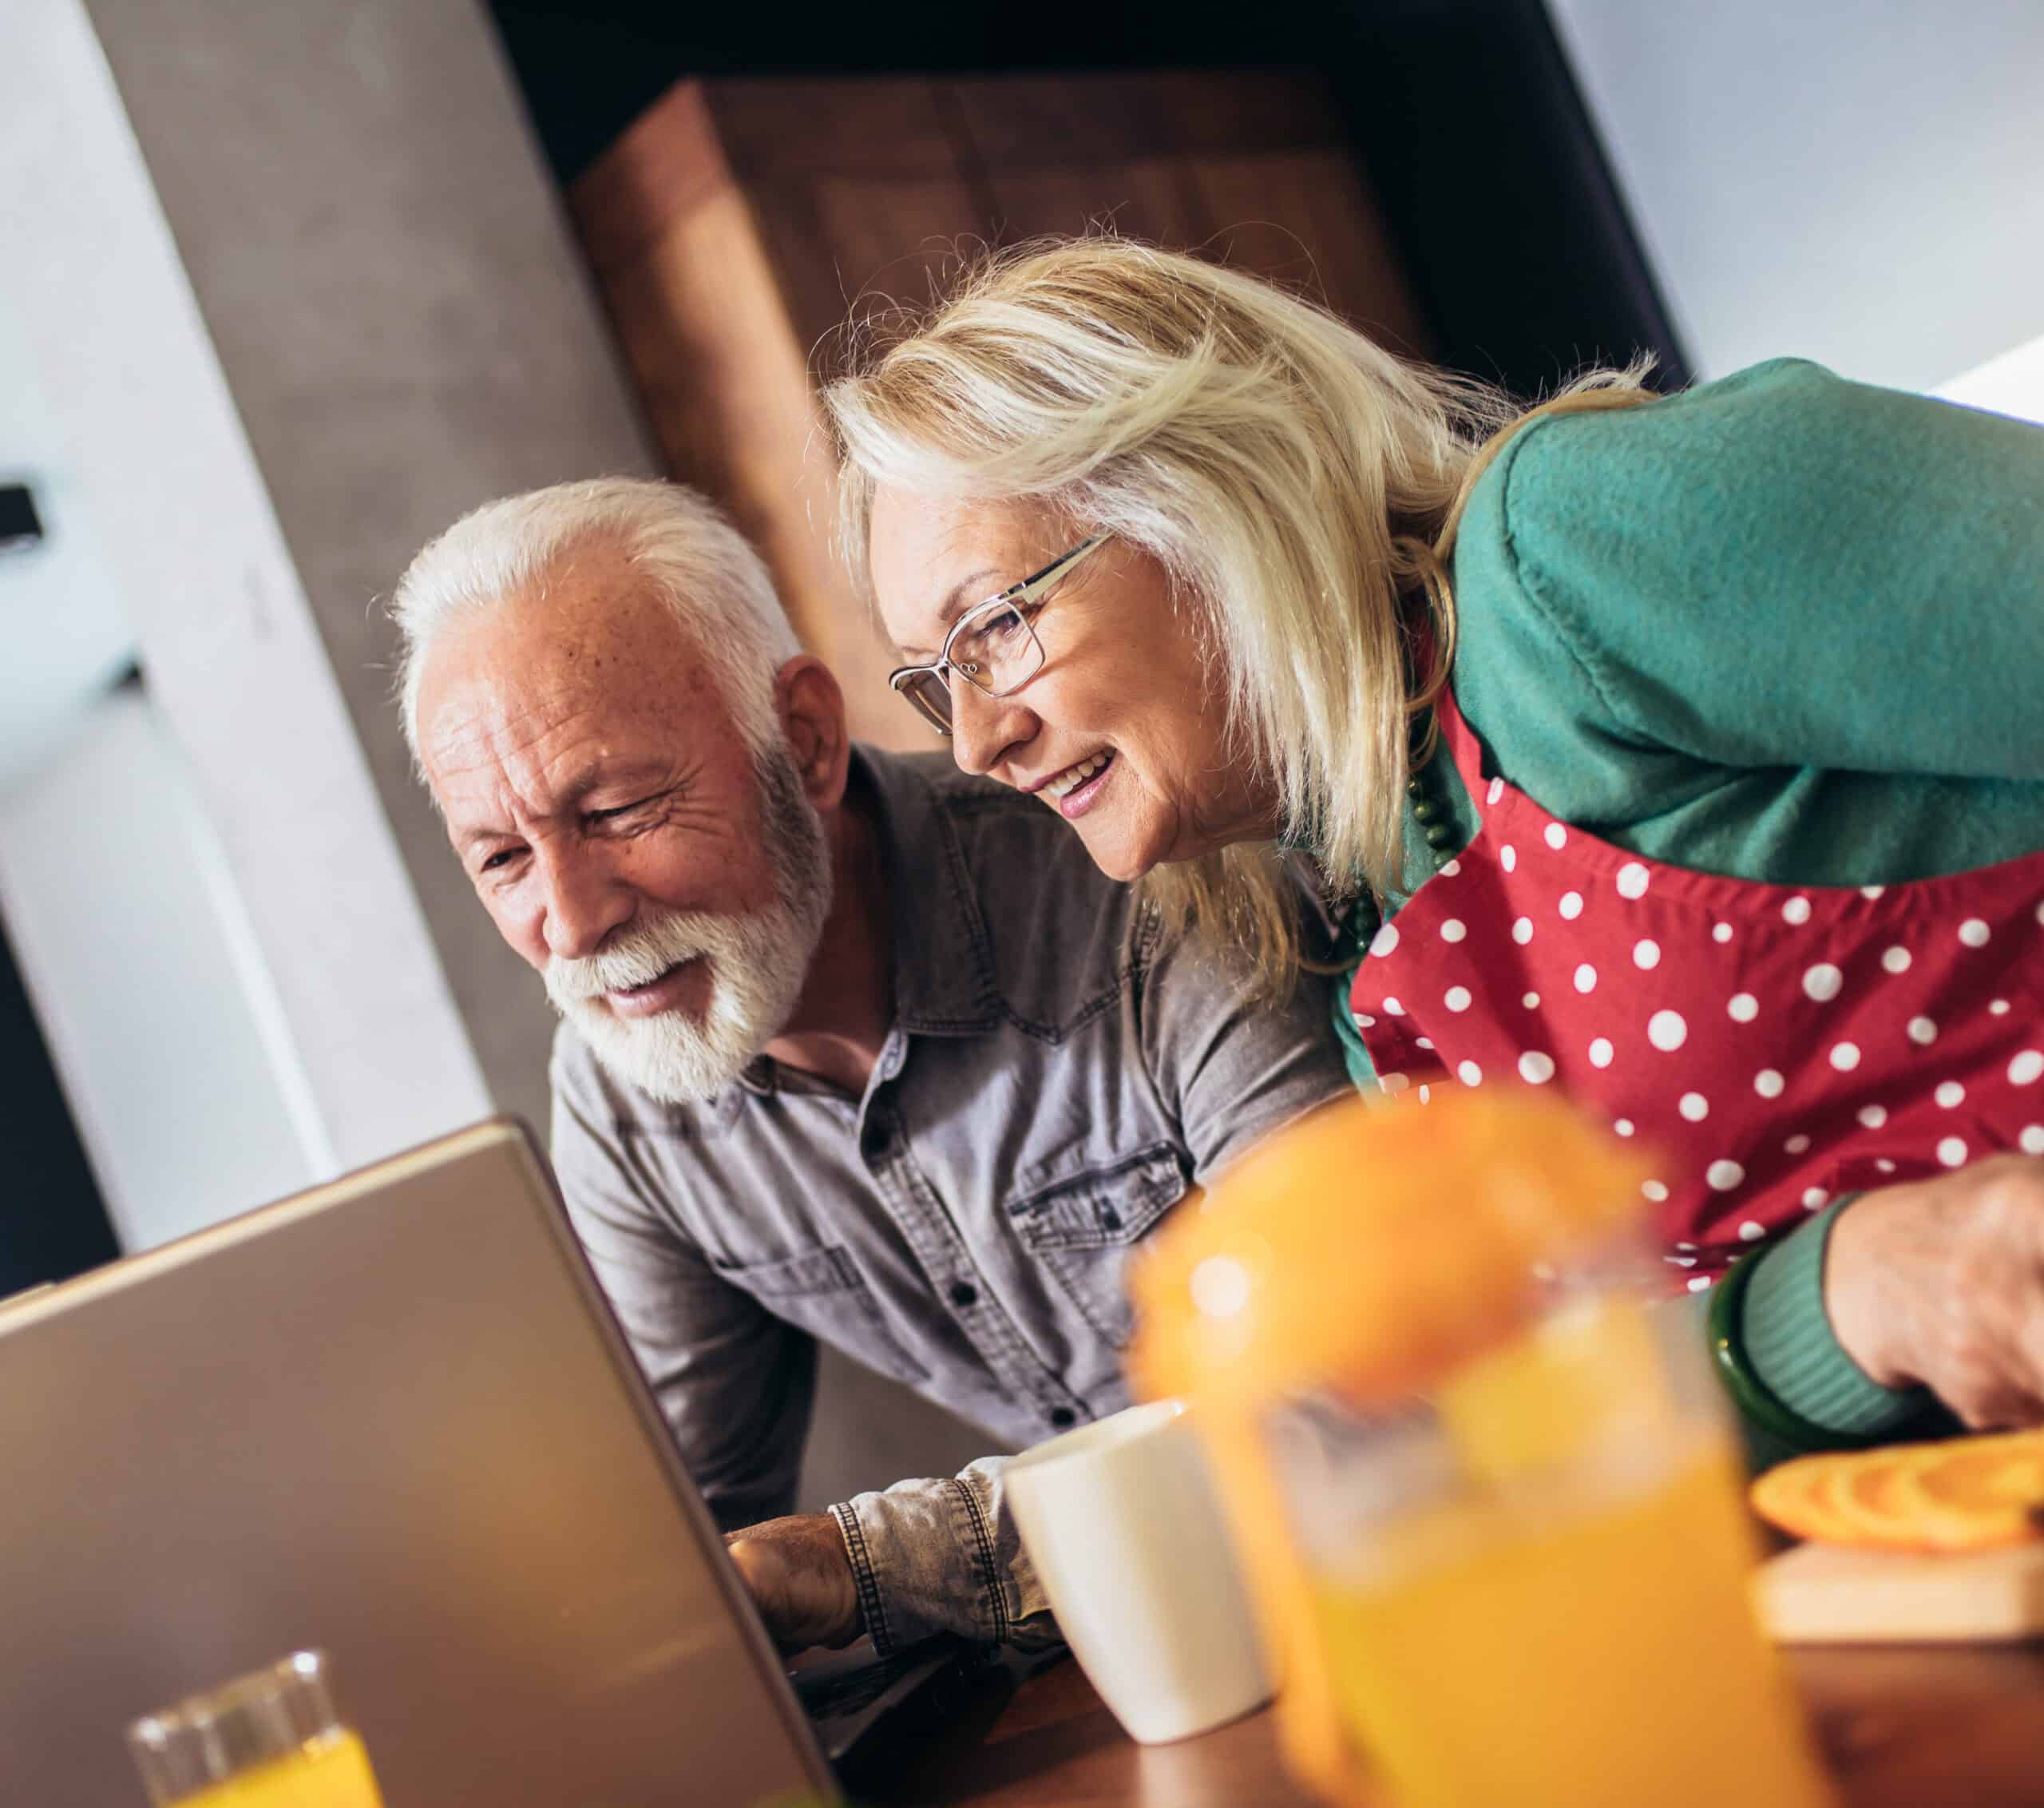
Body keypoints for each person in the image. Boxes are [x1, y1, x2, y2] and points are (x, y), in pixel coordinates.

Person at [826, 236, 2044, 1450]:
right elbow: (1572, 1418)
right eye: (936, 681)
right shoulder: (1367, 946)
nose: (977, 742)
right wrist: (1834, 1303)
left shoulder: (1568, 550)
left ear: (1203, 499)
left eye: (993, 627)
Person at [392, 478, 1350, 1652]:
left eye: (621, 811)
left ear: (802, 742)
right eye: (499, 858)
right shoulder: (622, 1098)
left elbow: (1353, 1386)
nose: (572, 921)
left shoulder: (1144, 884)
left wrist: (873, 1565)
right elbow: (688, 1549)